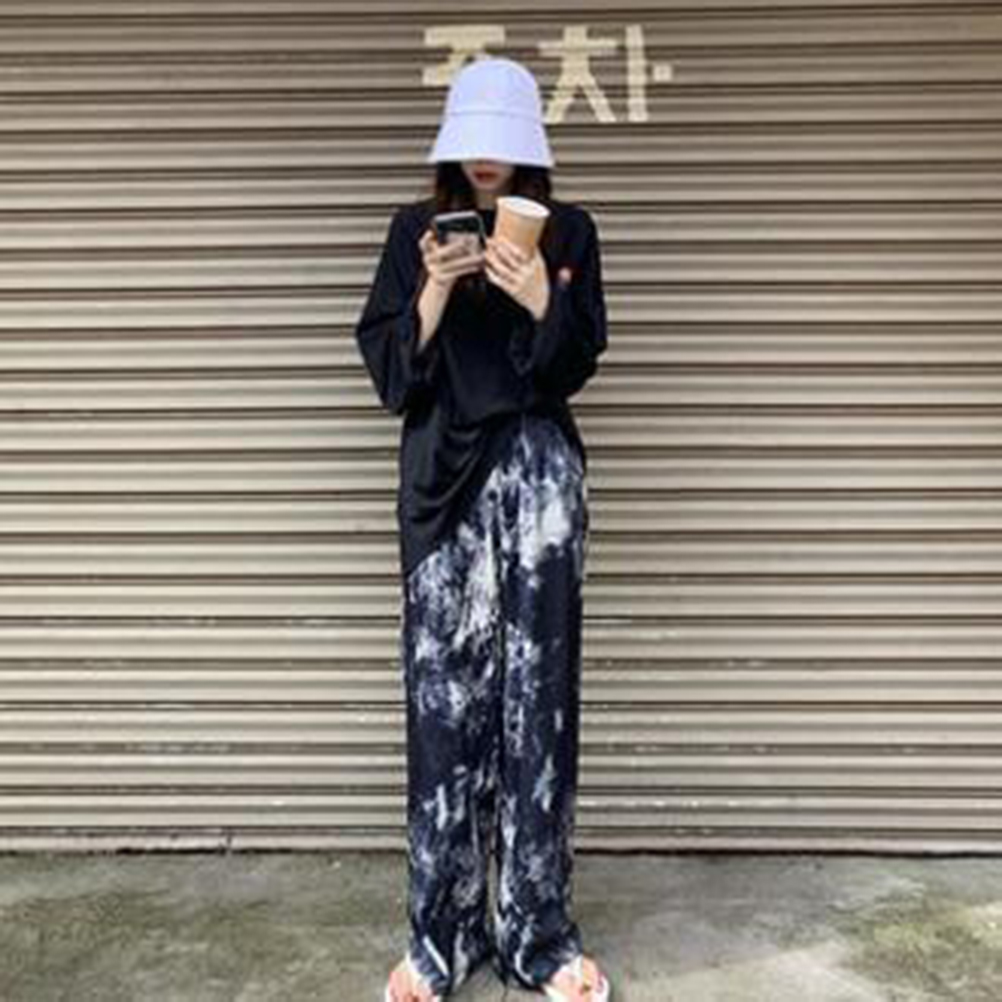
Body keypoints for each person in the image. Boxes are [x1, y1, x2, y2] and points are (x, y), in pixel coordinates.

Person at [354, 55, 610, 1002]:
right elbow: (392, 377)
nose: (486, 160)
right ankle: (440, 937)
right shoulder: (412, 232)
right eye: (473, 142)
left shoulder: (571, 231)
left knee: (540, 707)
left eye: (503, 142)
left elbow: (577, 360)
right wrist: (432, 289)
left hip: (540, 482)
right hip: (441, 487)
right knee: (443, 712)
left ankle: (538, 933)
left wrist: (540, 294)